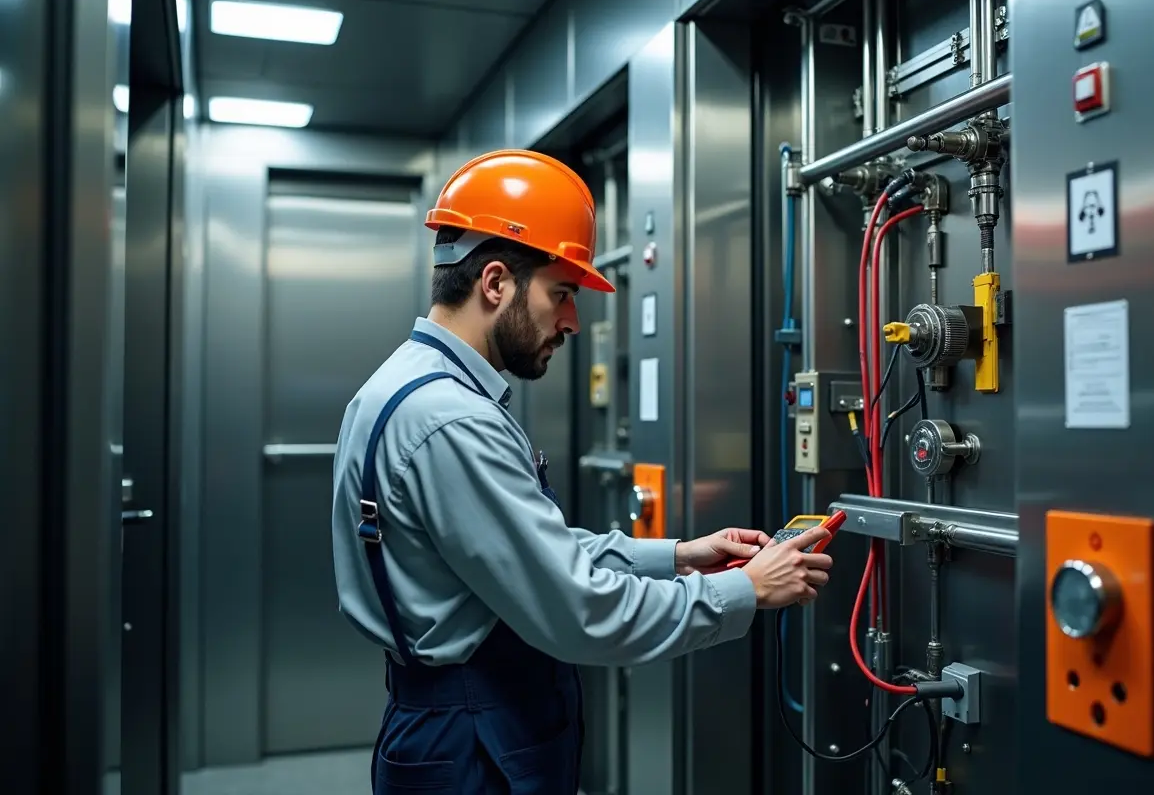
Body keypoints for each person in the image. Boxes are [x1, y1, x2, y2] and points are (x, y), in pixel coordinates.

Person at [331, 149, 834, 795]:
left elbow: (533, 554)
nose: (571, 321)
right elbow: (577, 610)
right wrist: (745, 592)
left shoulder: (399, 387)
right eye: (561, 293)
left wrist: (679, 555)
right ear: (494, 283)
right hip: (475, 741)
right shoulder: (453, 420)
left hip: (448, 722)